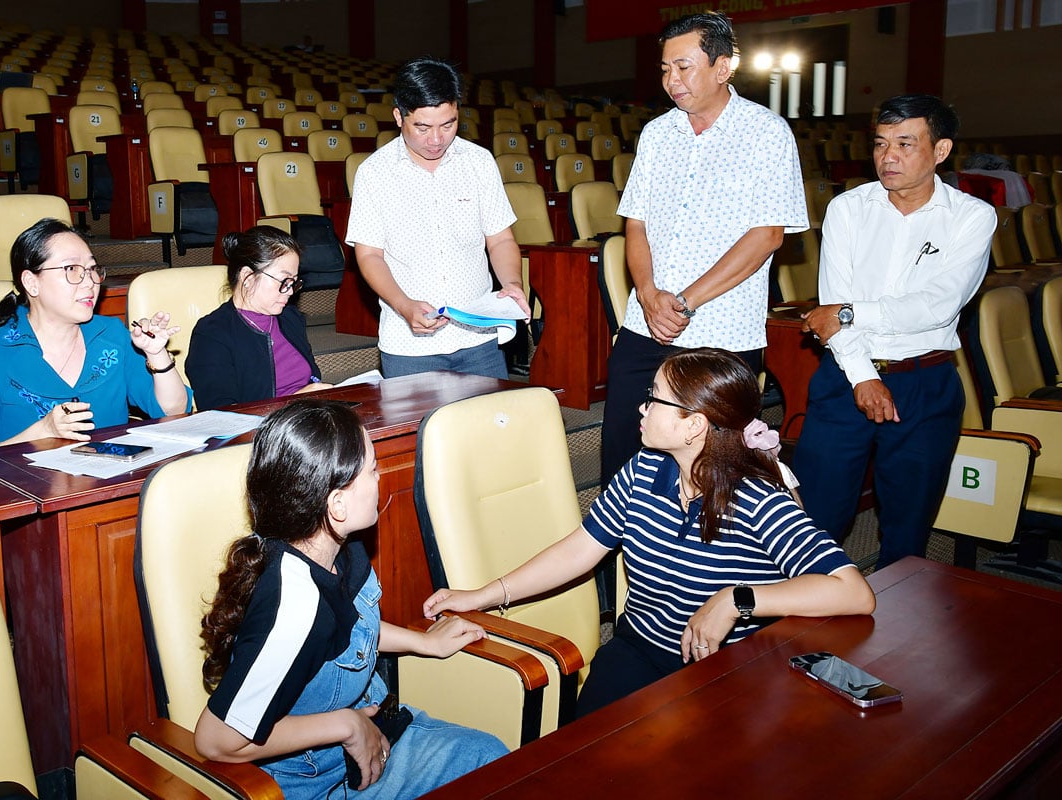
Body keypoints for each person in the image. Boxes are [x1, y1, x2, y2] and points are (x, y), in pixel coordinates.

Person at [425, 348, 875, 717]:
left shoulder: (756, 498)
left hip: (724, 671)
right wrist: (484, 594)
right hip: (638, 651)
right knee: (584, 764)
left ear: (694, 424)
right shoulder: (645, 470)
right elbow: (580, 549)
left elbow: (854, 593)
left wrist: (736, 598)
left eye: (655, 399)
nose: (642, 407)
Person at [194, 400, 508, 798]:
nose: (381, 479)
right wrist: (343, 725)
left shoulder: (336, 548)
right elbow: (214, 739)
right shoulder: (294, 609)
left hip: (377, 733)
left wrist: (423, 641)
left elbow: (348, 633)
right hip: (318, 781)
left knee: (493, 760)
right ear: (336, 504)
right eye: (373, 470)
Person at [601, 11, 808, 489]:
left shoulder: (766, 133)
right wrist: (650, 294)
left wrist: (685, 302)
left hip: (722, 332)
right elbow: (636, 225)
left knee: (712, 475)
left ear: (724, 66)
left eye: (684, 67)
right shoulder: (657, 134)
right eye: (665, 69)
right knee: (621, 461)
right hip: (645, 326)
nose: (672, 81)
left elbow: (766, 236)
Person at [794, 95, 996, 570]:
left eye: (905, 144)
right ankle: (797, 627)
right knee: (815, 520)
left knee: (908, 528)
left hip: (925, 384)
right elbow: (830, 302)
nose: (889, 157)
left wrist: (847, 313)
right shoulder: (849, 208)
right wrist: (863, 375)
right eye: (881, 144)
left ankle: (897, 635)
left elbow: (937, 306)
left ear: (941, 150)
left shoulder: (971, 217)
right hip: (845, 378)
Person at [345, 56, 530, 380]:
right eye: (423, 127)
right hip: (410, 346)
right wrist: (403, 305)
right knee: (419, 432)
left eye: (448, 125)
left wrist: (512, 283)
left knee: (490, 429)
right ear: (398, 117)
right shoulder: (375, 173)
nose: (436, 139)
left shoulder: (478, 162)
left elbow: (500, 239)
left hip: (478, 339)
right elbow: (370, 255)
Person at [0, 218, 191, 451]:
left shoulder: (111, 336)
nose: (90, 282)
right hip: (27, 490)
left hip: (112, 482)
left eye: (92, 269)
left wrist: (157, 353)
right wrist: (42, 431)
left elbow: (174, 410)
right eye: (72, 269)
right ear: (31, 282)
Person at [186, 226, 327, 410]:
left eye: (293, 282)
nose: (290, 291)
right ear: (248, 277)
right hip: (263, 432)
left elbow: (313, 378)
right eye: (284, 281)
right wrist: (292, 401)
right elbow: (221, 414)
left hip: (306, 418)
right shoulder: (212, 333)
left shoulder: (290, 318)